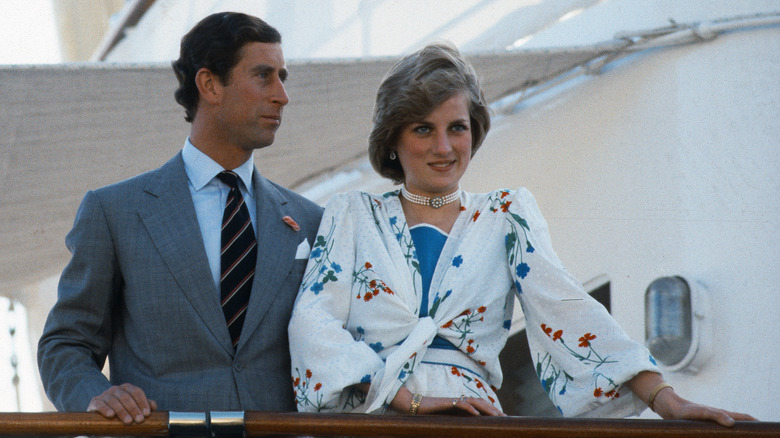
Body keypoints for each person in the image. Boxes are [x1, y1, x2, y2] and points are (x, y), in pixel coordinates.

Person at [288, 43, 755, 425]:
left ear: (476, 130)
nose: (444, 147)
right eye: (422, 129)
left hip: (470, 420)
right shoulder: (352, 214)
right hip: (370, 418)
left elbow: (567, 309)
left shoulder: (506, 215)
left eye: (458, 127)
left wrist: (666, 400)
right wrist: (405, 399)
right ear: (392, 139)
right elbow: (313, 324)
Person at [37, 12, 323, 424]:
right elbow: (65, 343)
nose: (282, 95)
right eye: (263, 76)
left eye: (283, 77)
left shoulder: (309, 220)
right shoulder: (115, 212)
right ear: (209, 84)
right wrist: (97, 397)